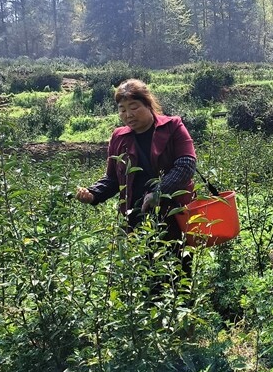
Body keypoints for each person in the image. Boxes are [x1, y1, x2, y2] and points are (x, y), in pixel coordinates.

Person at [74, 78, 196, 247]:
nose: (128, 115)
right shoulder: (119, 137)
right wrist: (93, 193)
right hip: (135, 220)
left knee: (176, 269)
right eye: (122, 109)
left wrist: (158, 193)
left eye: (134, 107)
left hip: (174, 216)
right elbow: (112, 179)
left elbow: (186, 164)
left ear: (148, 104)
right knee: (139, 269)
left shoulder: (172, 126)